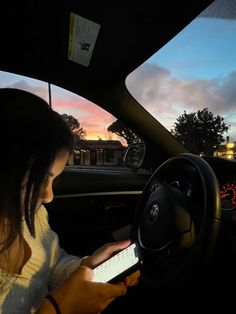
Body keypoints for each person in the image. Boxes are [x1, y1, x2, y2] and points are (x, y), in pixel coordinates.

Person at [0, 88, 140, 313]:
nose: (49, 197)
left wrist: (88, 267)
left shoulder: (33, 216)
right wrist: (60, 309)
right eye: (38, 181)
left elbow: (53, 265)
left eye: (54, 179)